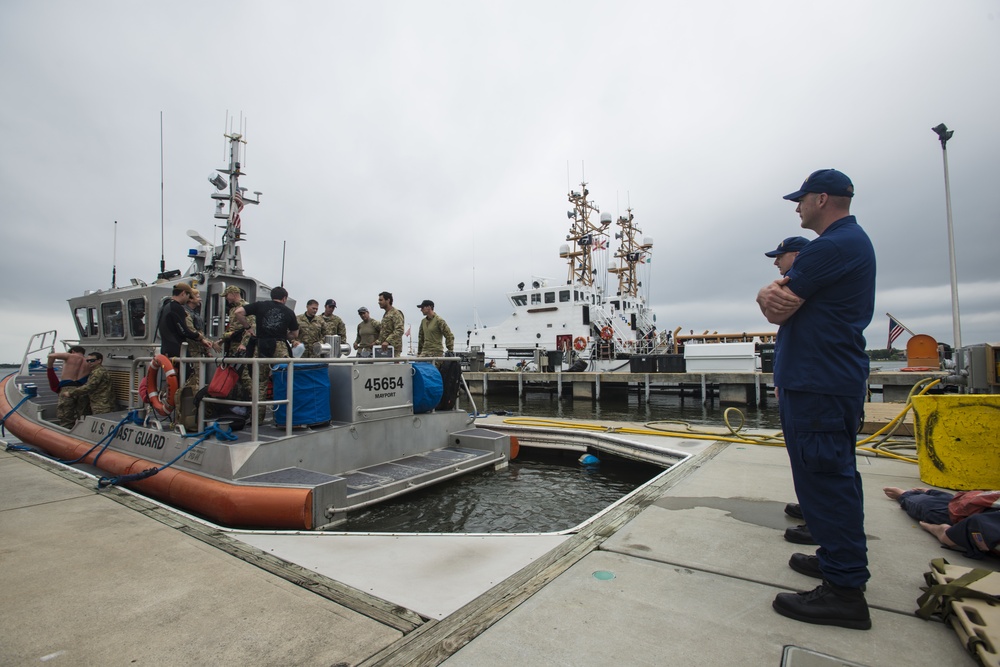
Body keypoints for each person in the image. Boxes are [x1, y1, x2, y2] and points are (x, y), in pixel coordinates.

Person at [757, 168, 876, 630]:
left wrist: (768, 296)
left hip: (820, 382)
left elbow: (775, 304)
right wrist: (777, 297)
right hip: (821, 379)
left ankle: (845, 592)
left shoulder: (834, 245)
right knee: (827, 475)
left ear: (822, 198)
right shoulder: (845, 243)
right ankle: (835, 560)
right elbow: (782, 302)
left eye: (801, 199)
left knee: (826, 479)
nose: (797, 206)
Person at [764, 234, 817, 548]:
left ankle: (820, 522)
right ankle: (814, 508)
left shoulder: (809, 288)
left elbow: (773, 309)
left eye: (780, 256)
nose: (776, 263)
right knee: (805, 457)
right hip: (796, 381)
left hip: (810, 384)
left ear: (796, 256)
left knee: (818, 459)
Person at [233, 286, 299, 424]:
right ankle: (286, 417)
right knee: (285, 380)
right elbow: (294, 334)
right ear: (284, 298)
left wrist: (248, 328)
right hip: (279, 346)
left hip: (261, 345)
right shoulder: (289, 312)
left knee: (260, 382)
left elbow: (238, 312)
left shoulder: (260, 306)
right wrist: (283, 334)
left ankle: (257, 419)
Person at [883, 487, 1000, 560]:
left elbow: (974, 526)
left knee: (928, 505)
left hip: (969, 509)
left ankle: (911, 494)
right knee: (932, 504)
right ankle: (920, 493)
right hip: (971, 506)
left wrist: (937, 530)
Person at [159, 282, 214, 359]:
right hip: (177, 350)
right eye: (188, 295)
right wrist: (199, 336)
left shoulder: (166, 306)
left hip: (166, 349)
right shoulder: (177, 308)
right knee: (187, 371)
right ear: (183, 293)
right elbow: (183, 331)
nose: (188, 298)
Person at [47, 346, 88, 427]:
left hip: (67, 388)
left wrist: (50, 367)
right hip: (81, 389)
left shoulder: (70, 356)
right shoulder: (88, 361)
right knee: (81, 414)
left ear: (72, 351)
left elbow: (51, 356)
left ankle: (67, 430)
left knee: (66, 415)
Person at [65, 352, 115, 417]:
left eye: (92, 360)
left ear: (99, 361)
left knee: (101, 419)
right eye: (88, 360)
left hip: (101, 405)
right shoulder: (97, 371)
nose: (89, 362)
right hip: (99, 403)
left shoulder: (98, 372)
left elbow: (89, 387)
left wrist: (70, 393)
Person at [374, 291, 405, 357]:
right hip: (385, 350)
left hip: (394, 350)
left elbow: (399, 330)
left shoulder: (396, 313)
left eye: (381, 300)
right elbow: (385, 332)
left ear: (388, 300)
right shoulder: (386, 314)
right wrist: (377, 342)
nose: (379, 302)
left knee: (394, 367)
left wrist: (387, 341)